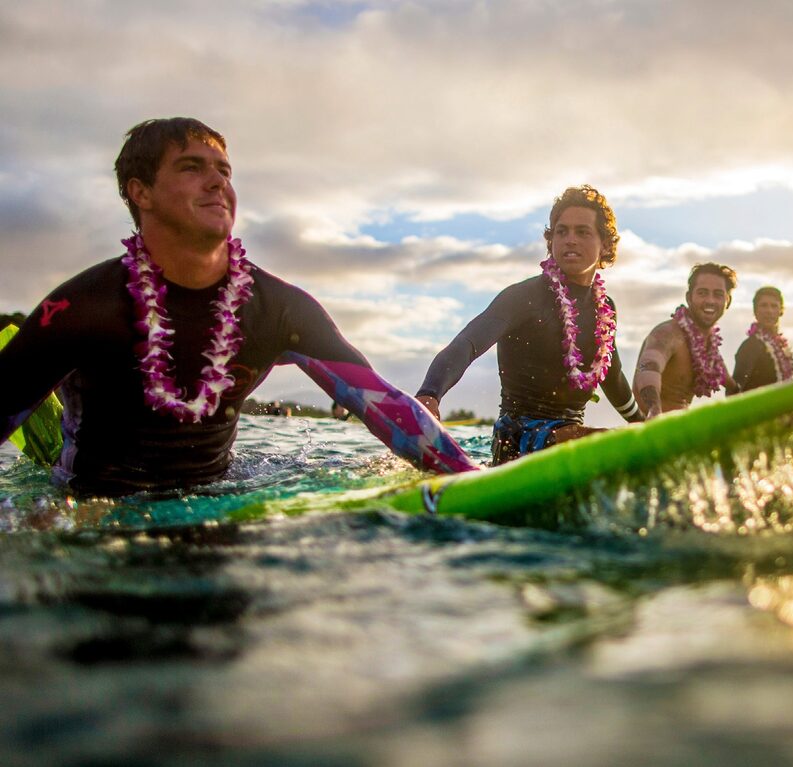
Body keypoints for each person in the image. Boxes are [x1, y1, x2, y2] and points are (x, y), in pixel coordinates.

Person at [0, 117, 474, 496]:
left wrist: (470, 474)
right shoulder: (84, 305)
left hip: (215, 502)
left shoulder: (278, 309)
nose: (217, 183)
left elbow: (386, 408)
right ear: (139, 191)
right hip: (90, 511)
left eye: (223, 171)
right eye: (192, 167)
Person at [415, 185, 642, 465]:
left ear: (605, 244)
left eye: (582, 232)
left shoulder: (605, 310)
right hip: (517, 439)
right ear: (551, 241)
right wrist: (430, 395)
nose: (570, 240)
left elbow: (613, 376)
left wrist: (642, 424)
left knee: (608, 440)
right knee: (606, 442)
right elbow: (467, 343)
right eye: (562, 231)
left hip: (574, 438)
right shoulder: (523, 298)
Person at [634, 263, 738, 418]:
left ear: (727, 301)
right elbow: (648, 367)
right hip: (651, 431)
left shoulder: (710, 350)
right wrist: (654, 410)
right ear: (689, 297)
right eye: (702, 293)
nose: (710, 300)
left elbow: (732, 387)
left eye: (718, 294)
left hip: (685, 431)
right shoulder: (667, 333)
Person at [732, 286, 793, 393]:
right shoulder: (750, 346)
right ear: (755, 311)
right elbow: (737, 390)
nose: (769, 311)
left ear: (781, 311)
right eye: (763, 305)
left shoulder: (782, 346)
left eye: (774, 306)